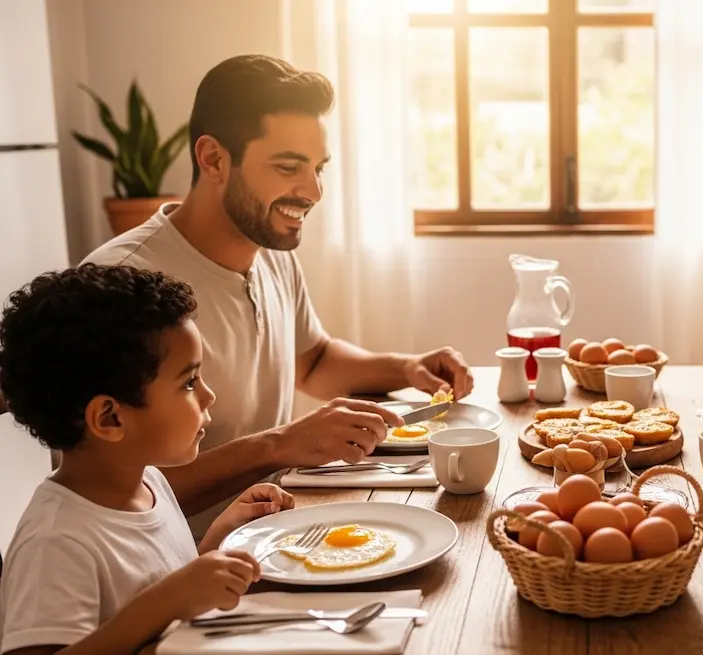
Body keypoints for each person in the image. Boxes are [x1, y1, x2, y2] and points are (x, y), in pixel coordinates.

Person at [82, 54, 474, 538]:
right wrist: (278, 445)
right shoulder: (120, 283)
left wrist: (405, 367)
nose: (313, 190)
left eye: (318, 168)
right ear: (213, 159)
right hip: (179, 571)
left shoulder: (268, 245)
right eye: (289, 166)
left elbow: (313, 361)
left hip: (273, 533)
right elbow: (106, 494)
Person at [0, 264, 297, 654]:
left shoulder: (148, 482)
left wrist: (217, 542)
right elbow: (157, 606)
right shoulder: (56, 541)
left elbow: (167, 595)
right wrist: (164, 603)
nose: (209, 396)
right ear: (110, 417)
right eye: (189, 382)